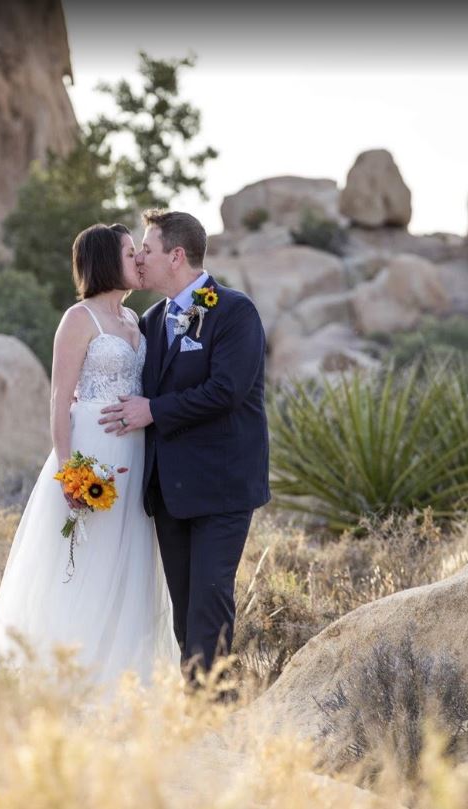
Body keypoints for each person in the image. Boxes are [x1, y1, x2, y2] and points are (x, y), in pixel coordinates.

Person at [0, 223, 177, 685]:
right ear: (107, 260)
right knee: (84, 559)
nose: (139, 260)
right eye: (131, 253)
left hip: (135, 456)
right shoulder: (78, 319)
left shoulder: (135, 321)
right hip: (91, 451)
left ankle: (122, 673)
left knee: (129, 560)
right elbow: (59, 398)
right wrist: (69, 473)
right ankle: (64, 677)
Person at [99, 210, 270, 683]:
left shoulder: (235, 312)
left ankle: (211, 711)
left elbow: (227, 390)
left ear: (176, 256)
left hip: (223, 487)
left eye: (147, 251)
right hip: (169, 492)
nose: (138, 260)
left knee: (209, 603)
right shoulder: (152, 321)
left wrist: (154, 409)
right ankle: (199, 708)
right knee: (182, 610)